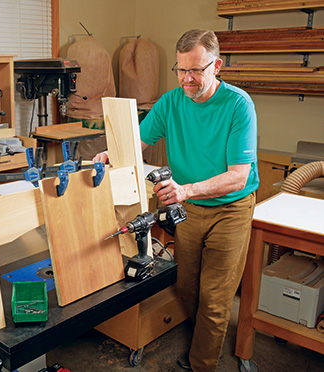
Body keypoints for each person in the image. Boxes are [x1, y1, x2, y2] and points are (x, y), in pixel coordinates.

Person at [93, 29, 259, 372]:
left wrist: (185, 190)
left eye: (196, 70)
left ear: (218, 65)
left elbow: (238, 176)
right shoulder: (170, 102)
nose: (187, 79)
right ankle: (198, 337)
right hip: (189, 208)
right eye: (181, 70)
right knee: (185, 284)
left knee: (215, 299)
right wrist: (112, 154)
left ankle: (202, 363)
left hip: (230, 208)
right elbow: (136, 141)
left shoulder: (238, 106)